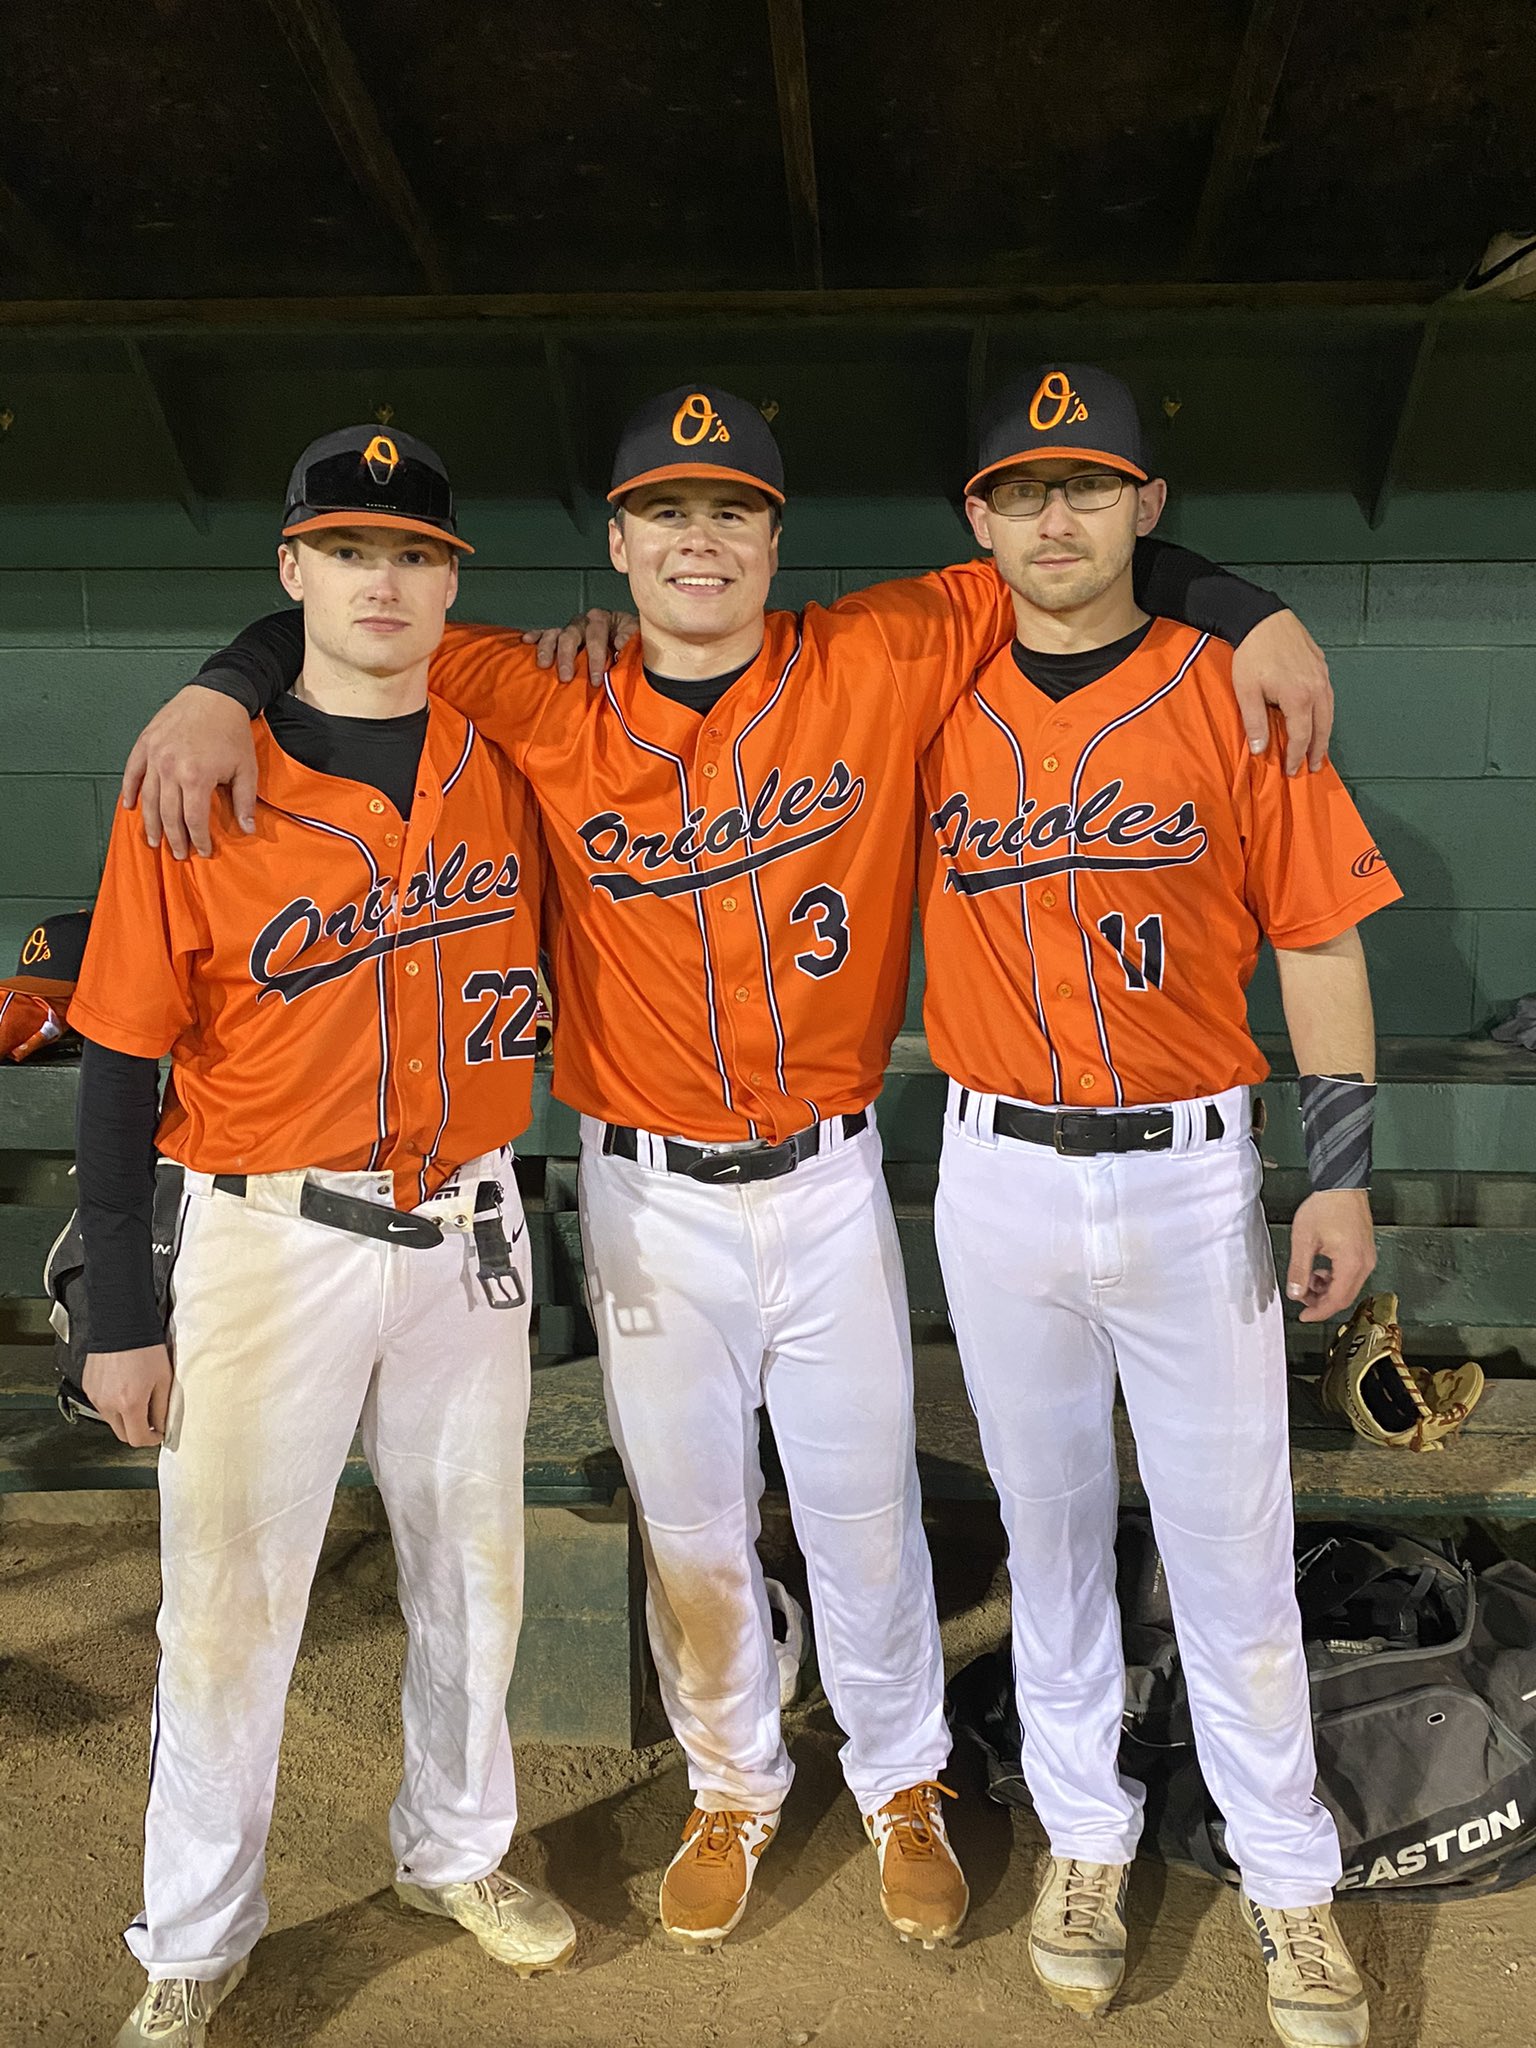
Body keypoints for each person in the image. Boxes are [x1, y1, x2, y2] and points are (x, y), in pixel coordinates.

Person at [119, 384, 1335, 1957]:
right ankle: (732, 1781)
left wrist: (1257, 612)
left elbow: (1079, 561)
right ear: (618, 542)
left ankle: (904, 1780)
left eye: (736, 511)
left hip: (827, 1185)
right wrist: (228, 681)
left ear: (776, 540)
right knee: (691, 1521)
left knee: (862, 1509)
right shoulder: (529, 687)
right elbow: (354, 618)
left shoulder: (881, 653)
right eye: (669, 512)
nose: (703, 538)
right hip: (642, 1194)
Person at [72, 428, 575, 2048]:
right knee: (226, 1605)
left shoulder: (511, 752)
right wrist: (117, 1314)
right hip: (266, 1240)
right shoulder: (193, 778)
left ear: (451, 587)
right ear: (290, 573)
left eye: (418, 554)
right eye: (350, 550)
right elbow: (118, 1061)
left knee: (473, 1579)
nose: (386, 579)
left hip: (468, 1226)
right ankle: (195, 1935)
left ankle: (456, 1850)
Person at [919, 366, 1399, 2046]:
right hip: (996, 1175)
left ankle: (1289, 1880)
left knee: (1231, 1551)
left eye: (1093, 485)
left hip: (1196, 1171)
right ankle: (1084, 1841)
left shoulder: (1232, 693)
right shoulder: (926, 692)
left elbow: (1318, 937)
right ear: (978, 521)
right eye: (1025, 490)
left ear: (1147, 506)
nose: (1060, 516)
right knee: (1045, 1541)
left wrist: (1334, 1174)